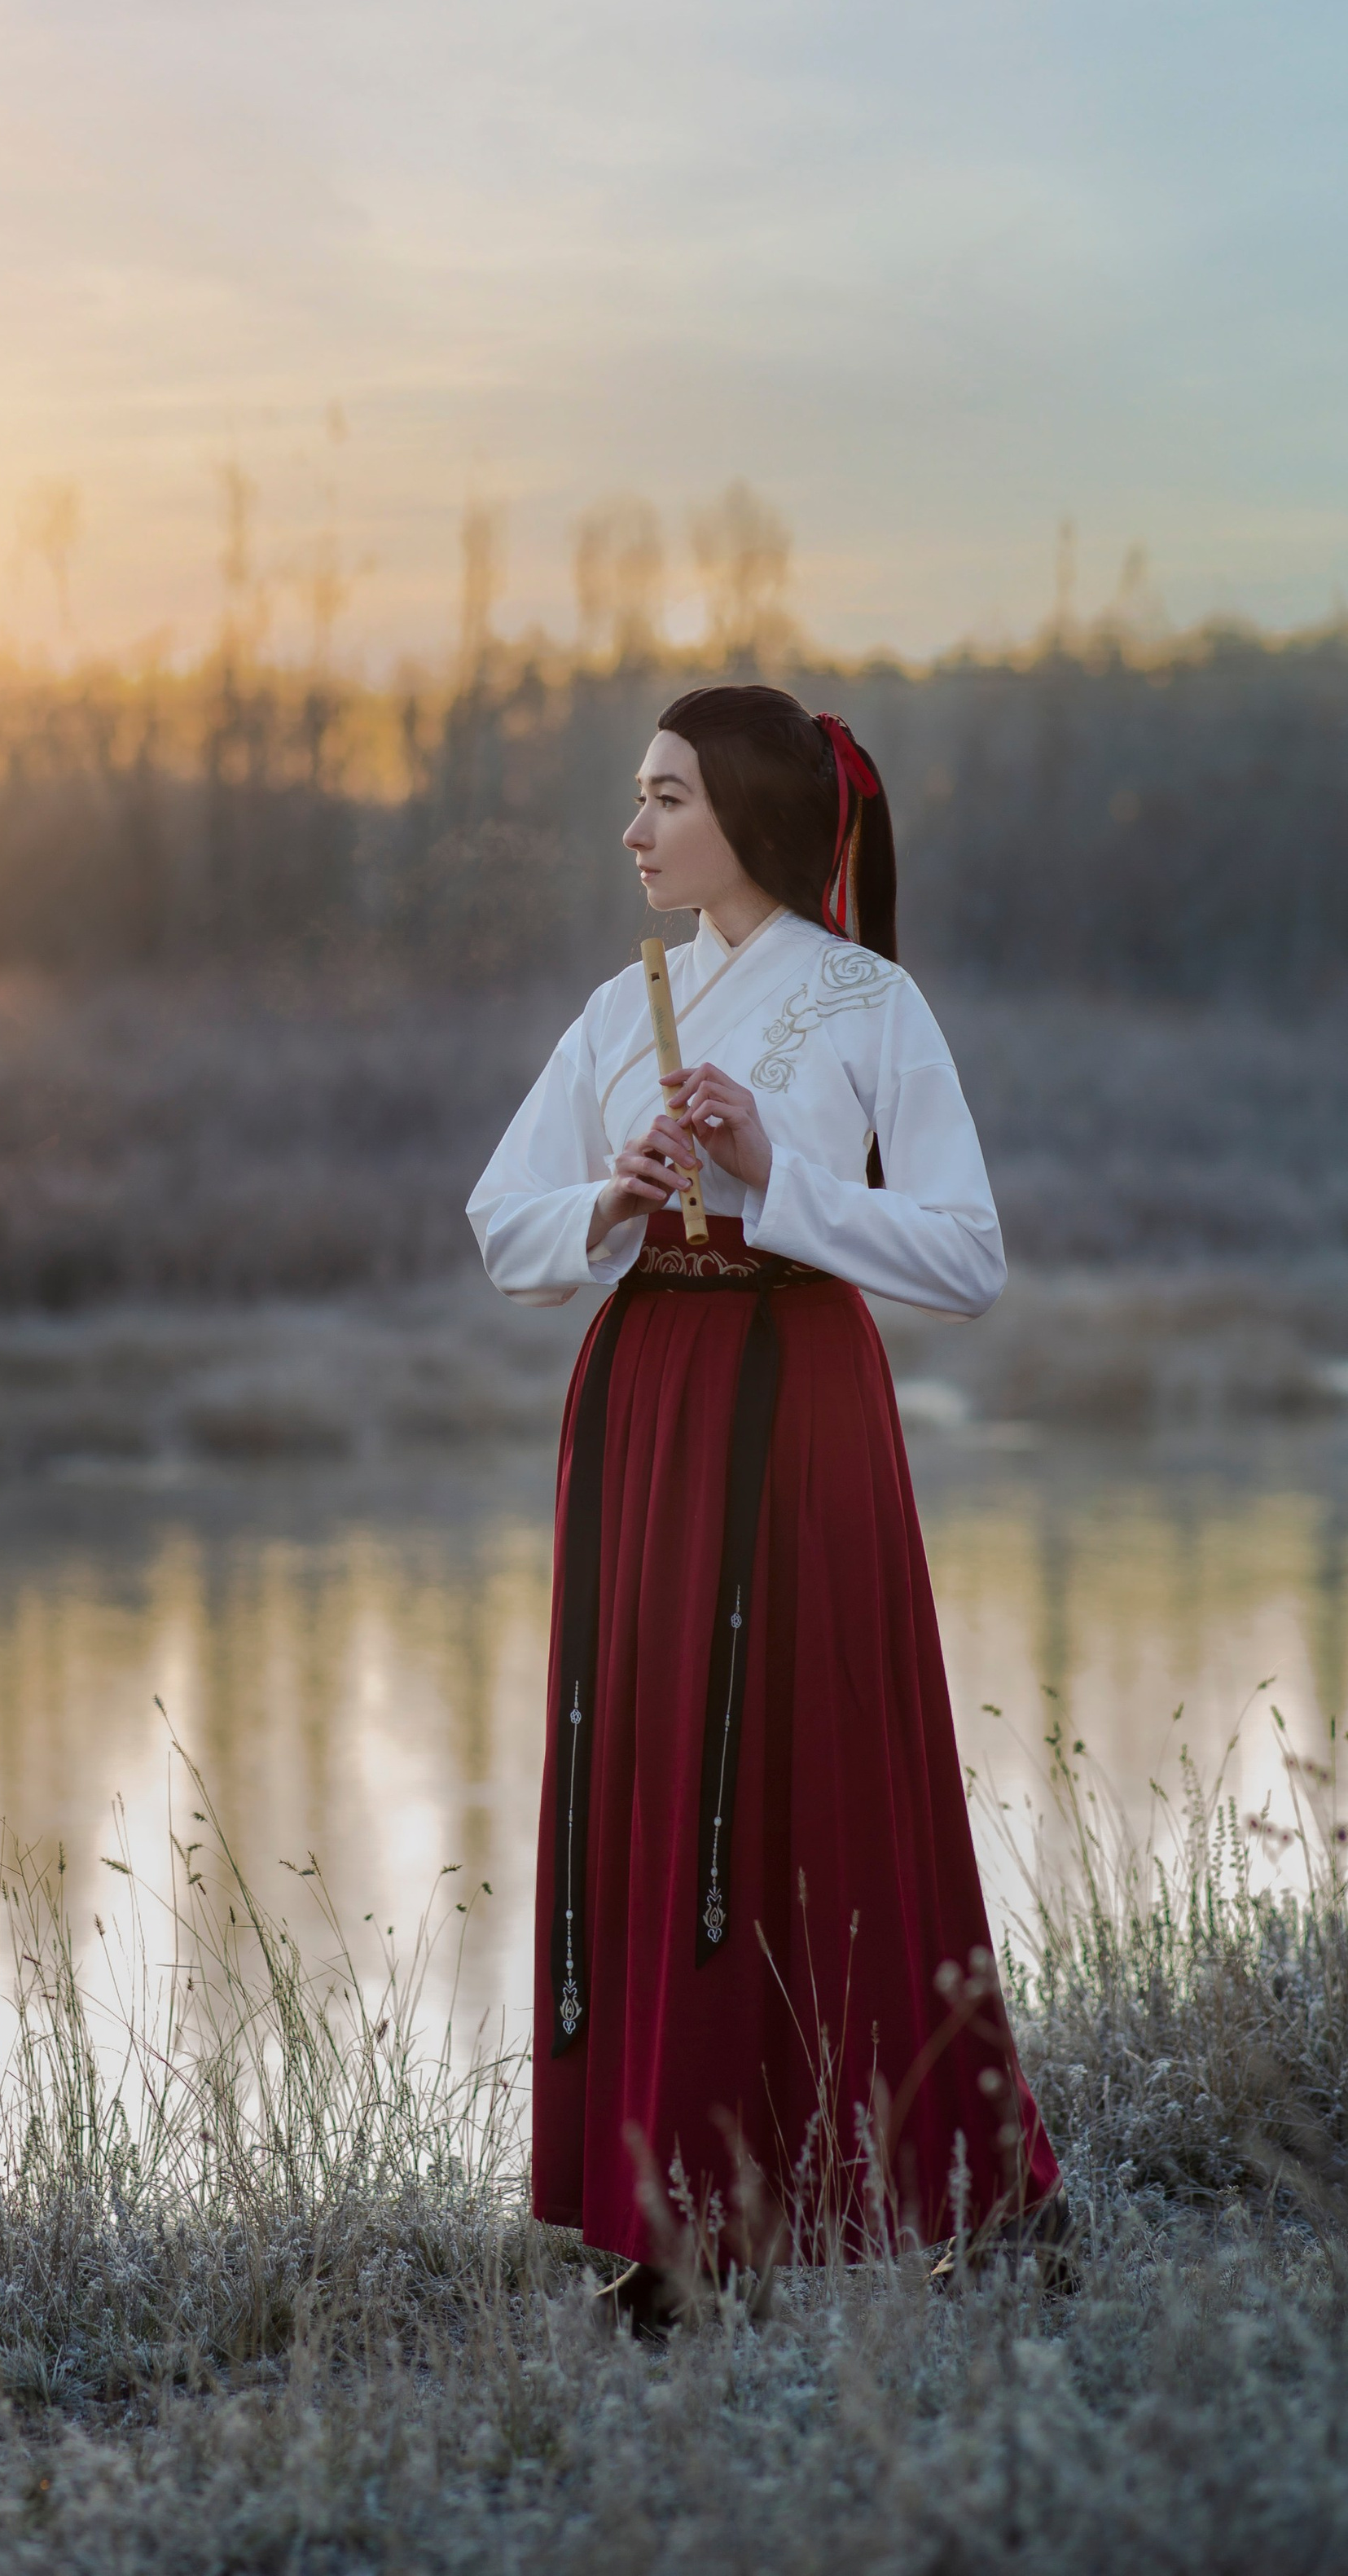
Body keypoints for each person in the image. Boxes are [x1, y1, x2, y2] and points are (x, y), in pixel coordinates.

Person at [467, 682, 1065, 2324]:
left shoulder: (868, 1003)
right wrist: (615, 1192)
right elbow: (495, 1220)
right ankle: (666, 2221)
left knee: (808, 1770)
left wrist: (772, 1181)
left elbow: (964, 1254)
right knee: (649, 1767)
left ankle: (970, 2192)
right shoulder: (617, 1007)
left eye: (662, 796)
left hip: (791, 1407)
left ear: (742, 811)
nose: (633, 828)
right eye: (636, 797)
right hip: (640, 1400)